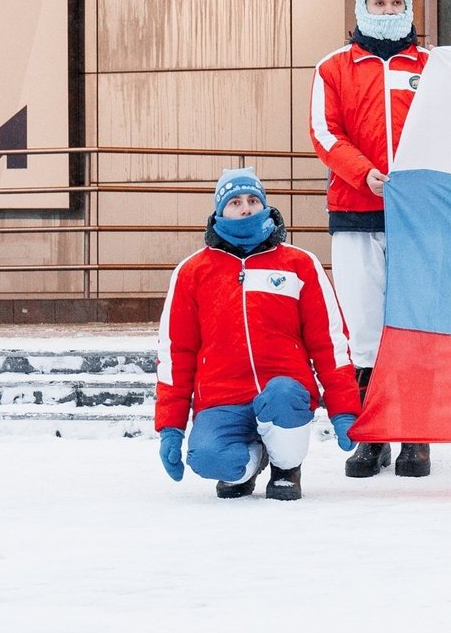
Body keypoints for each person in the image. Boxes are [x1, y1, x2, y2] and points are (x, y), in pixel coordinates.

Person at [155, 169, 362, 501]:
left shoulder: (299, 264)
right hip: (222, 399)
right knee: (207, 458)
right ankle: (254, 460)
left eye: (253, 200)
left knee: (281, 393)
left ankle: (285, 468)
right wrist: (171, 427)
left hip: (284, 396)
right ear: (219, 211)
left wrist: (344, 410)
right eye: (235, 202)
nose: (246, 208)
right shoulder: (192, 272)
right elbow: (176, 354)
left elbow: (330, 343)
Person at [309, 0, 431, 478]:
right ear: (361, 5)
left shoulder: (431, 68)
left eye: (396, 3)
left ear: (408, 5)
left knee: (416, 322)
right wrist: (365, 175)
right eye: (378, 3)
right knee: (364, 326)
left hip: (421, 221)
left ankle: (417, 435)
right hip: (357, 212)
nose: (387, 11)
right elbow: (325, 133)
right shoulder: (333, 68)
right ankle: (372, 436)